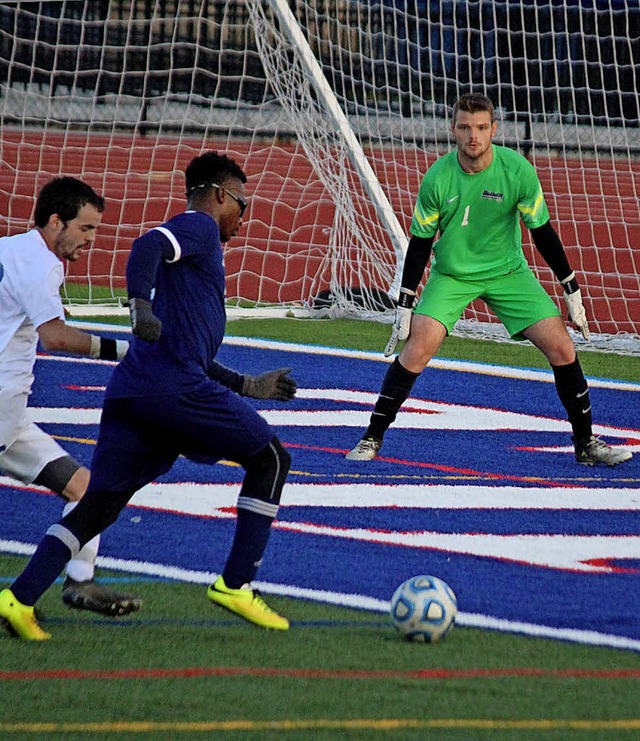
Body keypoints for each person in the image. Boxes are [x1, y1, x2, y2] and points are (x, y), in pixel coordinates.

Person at [0, 151, 297, 640]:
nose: (245, 217)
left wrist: (247, 385)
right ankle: (236, 585)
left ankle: (19, 597)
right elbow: (147, 245)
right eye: (243, 204)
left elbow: (184, 352)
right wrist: (138, 305)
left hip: (135, 390)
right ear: (221, 195)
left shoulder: (197, 260)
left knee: (96, 502)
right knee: (271, 459)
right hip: (172, 391)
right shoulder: (199, 226)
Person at [347, 93, 633, 468]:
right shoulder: (437, 177)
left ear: (494, 129)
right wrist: (405, 303)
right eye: (465, 127)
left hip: (507, 273)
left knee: (562, 348)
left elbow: (542, 232)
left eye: (481, 128)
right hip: (452, 275)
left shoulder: (517, 171)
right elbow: (420, 245)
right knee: (418, 347)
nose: (473, 136)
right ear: (453, 129)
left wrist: (571, 289)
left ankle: (586, 444)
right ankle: (371, 437)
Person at [0, 176, 142, 618]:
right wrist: (124, 351)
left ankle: (81, 582)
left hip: (12, 413)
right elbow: (56, 338)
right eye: (85, 229)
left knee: (88, 488)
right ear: (55, 221)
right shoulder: (40, 264)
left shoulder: (10, 249)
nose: (90, 240)